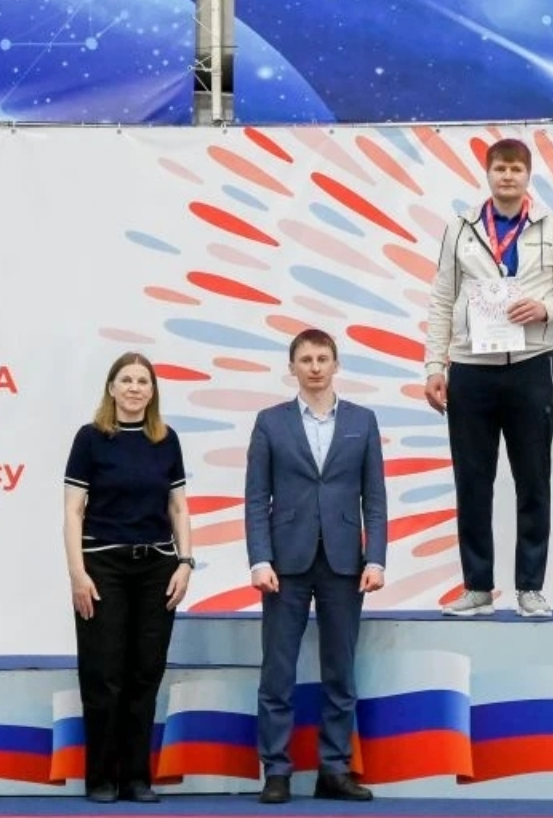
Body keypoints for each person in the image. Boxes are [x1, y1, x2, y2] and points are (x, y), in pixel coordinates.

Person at [423, 138, 553, 619]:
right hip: (470, 369)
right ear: (487, 172)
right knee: (472, 480)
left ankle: (530, 588)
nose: (508, 176)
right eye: (500, 168)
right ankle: (477, 587)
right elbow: (441, 298)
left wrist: (546, 307)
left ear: (528, 174)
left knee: (533, 479)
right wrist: (435, 366)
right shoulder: (460, 228)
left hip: (532, 365)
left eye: (516, 169)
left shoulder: (552, 227)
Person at [245, 329, 388, 805]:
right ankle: (277, 771)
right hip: (284, 564)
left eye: (322, 358)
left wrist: (376, 557)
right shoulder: (270, 422)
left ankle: (334, 769)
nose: (314, 367)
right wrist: (259, 559)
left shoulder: (363, 421)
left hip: (345, 563)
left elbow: (375, 498)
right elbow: (255, 498)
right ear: (292, 367)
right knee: (277, 673)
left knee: (340, 672)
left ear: (335, 364)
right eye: (305, 359)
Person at [62, 352, 194, 805]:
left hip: (158, 568)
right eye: (127, 380)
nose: (135, 388)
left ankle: (137, 778)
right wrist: (77, 573)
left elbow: (178, 507)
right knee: (104, 674)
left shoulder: (166, 440)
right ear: (112, 388)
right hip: (103, 568)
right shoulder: (91, 439)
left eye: (143, 381)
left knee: (145, 673)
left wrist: (185, 562)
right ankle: (101, 778)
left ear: (152, 390)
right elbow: (73, 511)